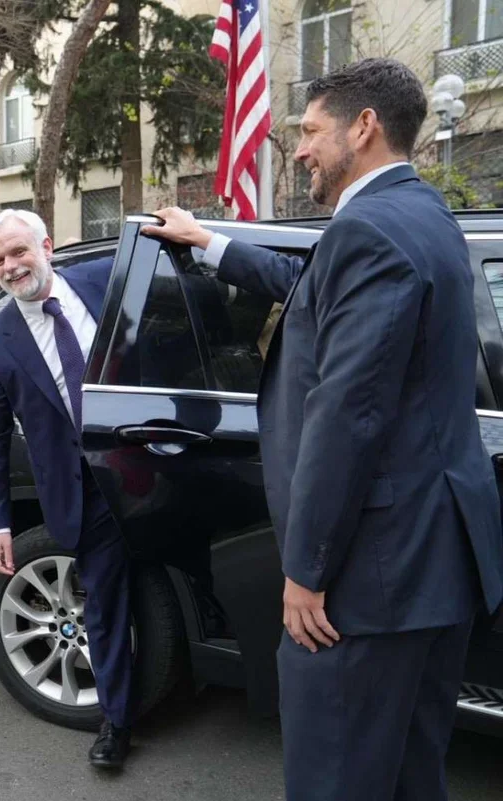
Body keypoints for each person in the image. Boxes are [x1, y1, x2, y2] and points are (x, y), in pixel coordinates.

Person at [145, 58, 503, 801]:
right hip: (437, 567)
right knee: (410, 775)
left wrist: (306, 570)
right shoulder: (421, 213)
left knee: (335, 780)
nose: (299, 148)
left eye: (309, 130)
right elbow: (313, 293)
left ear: (363, 127)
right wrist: (208, 240)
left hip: (367, 580)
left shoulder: (367, 231)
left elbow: (349, 414)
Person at [0, 209, 130, 768]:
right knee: (102, 607)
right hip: (82, 490)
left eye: (19, 252)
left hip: (152, 470)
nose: (11, 267)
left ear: (47, 247)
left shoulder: (105, 278)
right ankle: (116, 721)